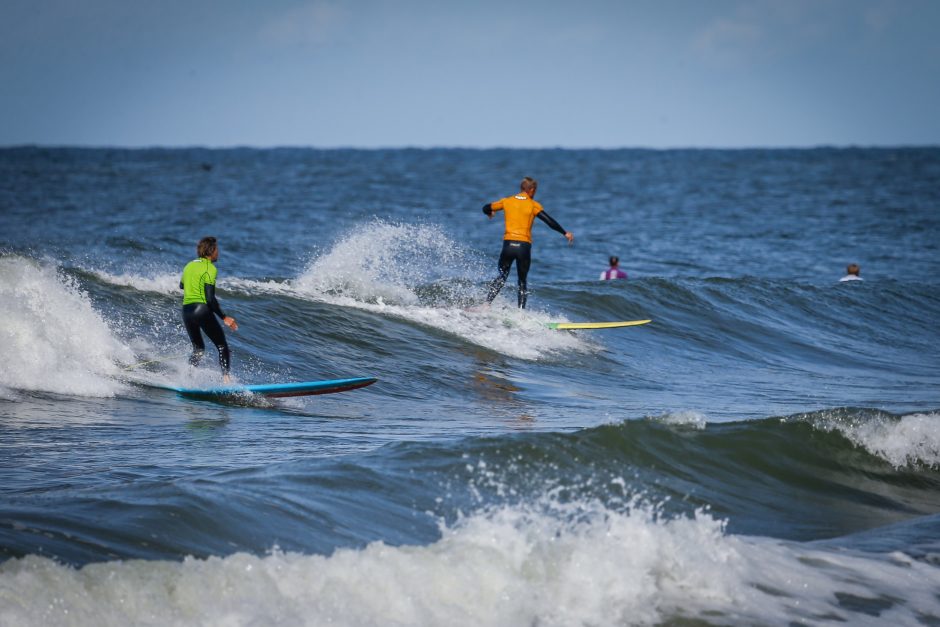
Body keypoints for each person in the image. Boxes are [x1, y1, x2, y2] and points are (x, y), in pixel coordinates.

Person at [481, 177, 574, 308]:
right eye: (535, 191)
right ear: (531, 190)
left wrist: (490, 213)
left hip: (508, 245)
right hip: (523, 247)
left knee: (502, 276)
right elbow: (549, 221)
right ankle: (521, 313)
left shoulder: (507, 201)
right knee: (522, 281)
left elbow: (485, 207)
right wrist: (565, 233)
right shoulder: (533, 205)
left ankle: (486, 304)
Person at [180, 237, 238, 382]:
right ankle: (226, 380)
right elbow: (210, 299)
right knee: (221, 345)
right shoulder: (210, 268)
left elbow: (181, 286)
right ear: (211, 251)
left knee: (198, 349)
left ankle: (187, 378)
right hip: (201, 309)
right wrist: (225, 317)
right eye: (217, 250)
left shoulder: (189, 265)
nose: (218, 253)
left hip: (187, 311)